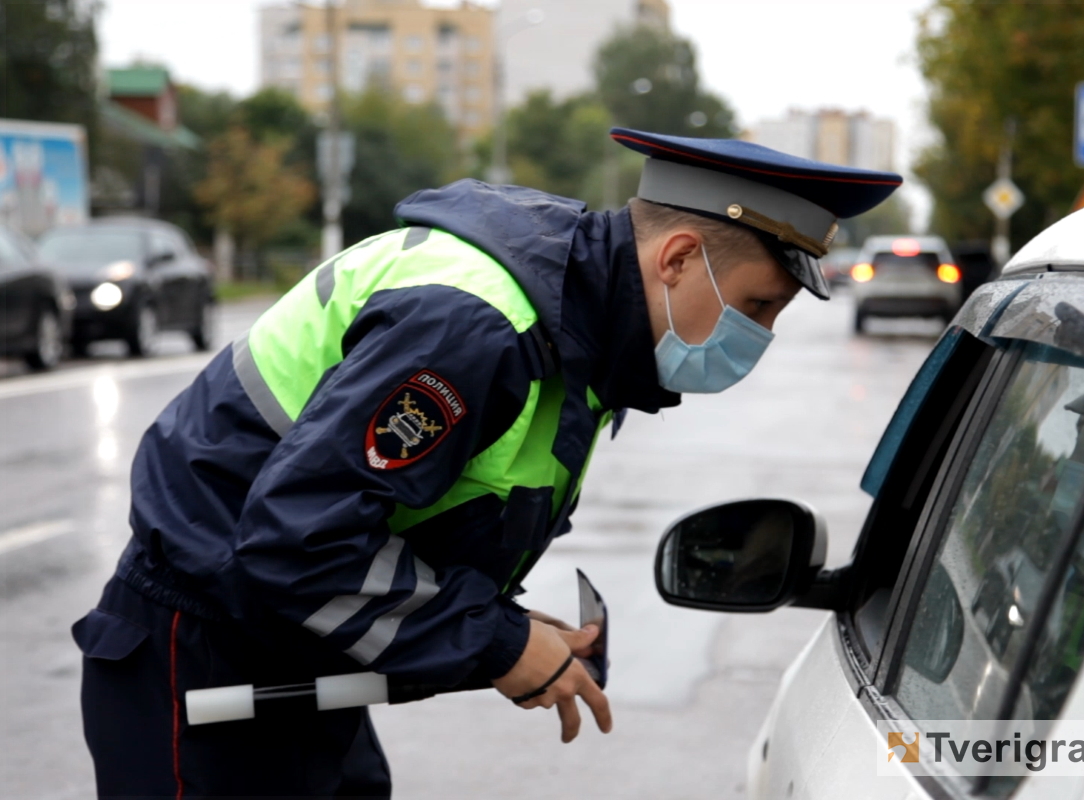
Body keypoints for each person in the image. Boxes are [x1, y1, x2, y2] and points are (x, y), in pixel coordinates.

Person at [72, 128, 901, 797]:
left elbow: (393, 511)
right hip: (203, 659)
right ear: (677, 258)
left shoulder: (575, 327)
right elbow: (296, 542)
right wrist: (494, 639)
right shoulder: (476, 327)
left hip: (290, 653)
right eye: (758, 305)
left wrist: (502, 623)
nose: (761, 333)